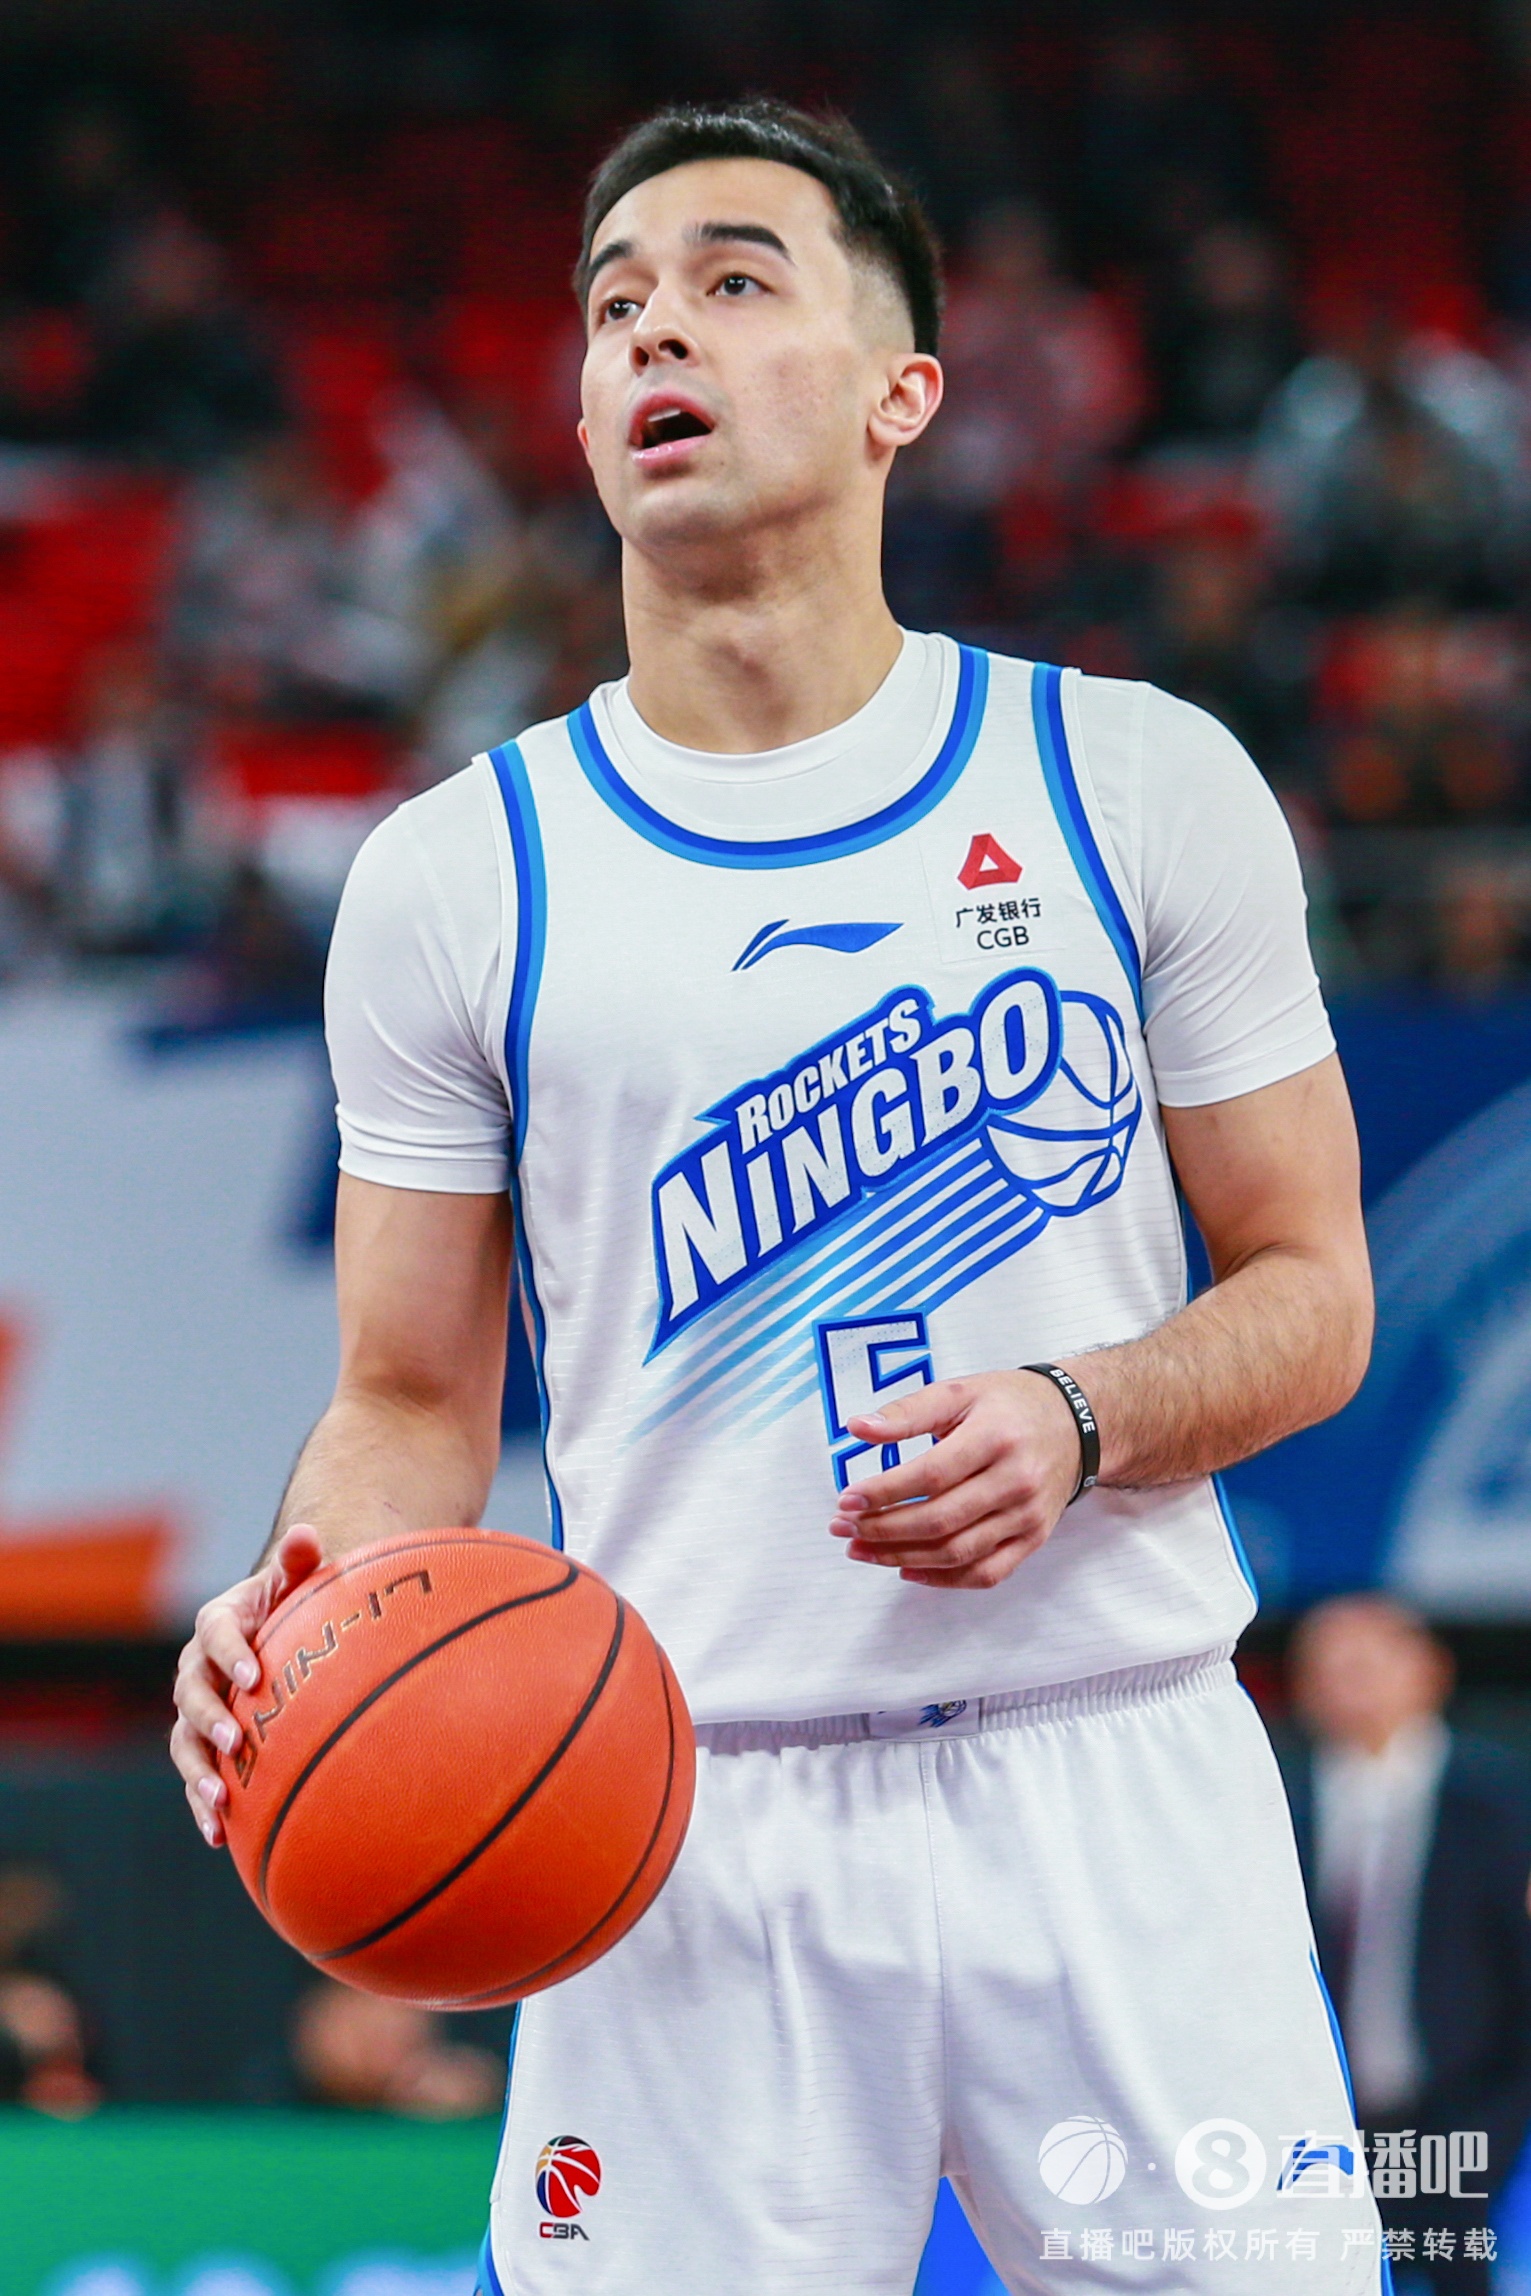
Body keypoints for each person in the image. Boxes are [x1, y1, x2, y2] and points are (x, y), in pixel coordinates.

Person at [171, 101, 1381, 2294]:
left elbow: (1313, 1290)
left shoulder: (1130, 779)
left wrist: (1086, 1411)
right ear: (583, 419)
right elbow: (408, 1393)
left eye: (734, 280)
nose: (659, 326)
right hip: (668, 1801)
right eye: (616, 301)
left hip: (1113, 1767)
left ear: (901, 390)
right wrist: (307, 1609)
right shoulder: (459, 875)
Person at [1286, 1596, 1531, 2296]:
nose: (1344, 1684)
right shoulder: (1276, 1803)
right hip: (1319, 2125)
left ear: (1429, 1670)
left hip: (1459, 2110)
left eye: (1363, 1664)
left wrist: (1498, 2120)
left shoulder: (1500, 1800)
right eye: (1324, 1668)